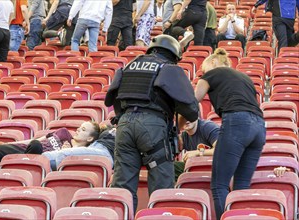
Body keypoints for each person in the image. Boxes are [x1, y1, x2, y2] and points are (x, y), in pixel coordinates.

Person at [105, 34, 199, 211]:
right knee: (161, 185)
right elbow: (191, 110)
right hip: (152, 125)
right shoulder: (169, 68)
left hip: (124, 126)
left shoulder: (129, 66)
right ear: (173, 54)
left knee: (122, 187)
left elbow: (112, 101)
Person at [195, 48, 266, 220]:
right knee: (241, 184)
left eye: (203, 70)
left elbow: (193, 100)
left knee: (219, 185)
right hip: (259, 127)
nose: (202, 74)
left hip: (237, 123)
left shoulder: (212, 74)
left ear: (212, 62)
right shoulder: (245, 78)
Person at [0, 121, 100, 166]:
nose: (78, 129)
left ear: (89, 139)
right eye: (80, 127)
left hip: (37, 161)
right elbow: (37, 139)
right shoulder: (63, 132)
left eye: (83, 130)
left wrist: (63, 151)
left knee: (36, 146)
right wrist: (10, 144)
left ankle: (17, 165)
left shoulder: (75, 153)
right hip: (23, 149)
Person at [42, 126, 116, 170]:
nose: (78, 130)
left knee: (51, 159)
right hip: (97, 148)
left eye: (83, 129)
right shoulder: (114, 127)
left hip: (105, 152)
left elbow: (63, 154)